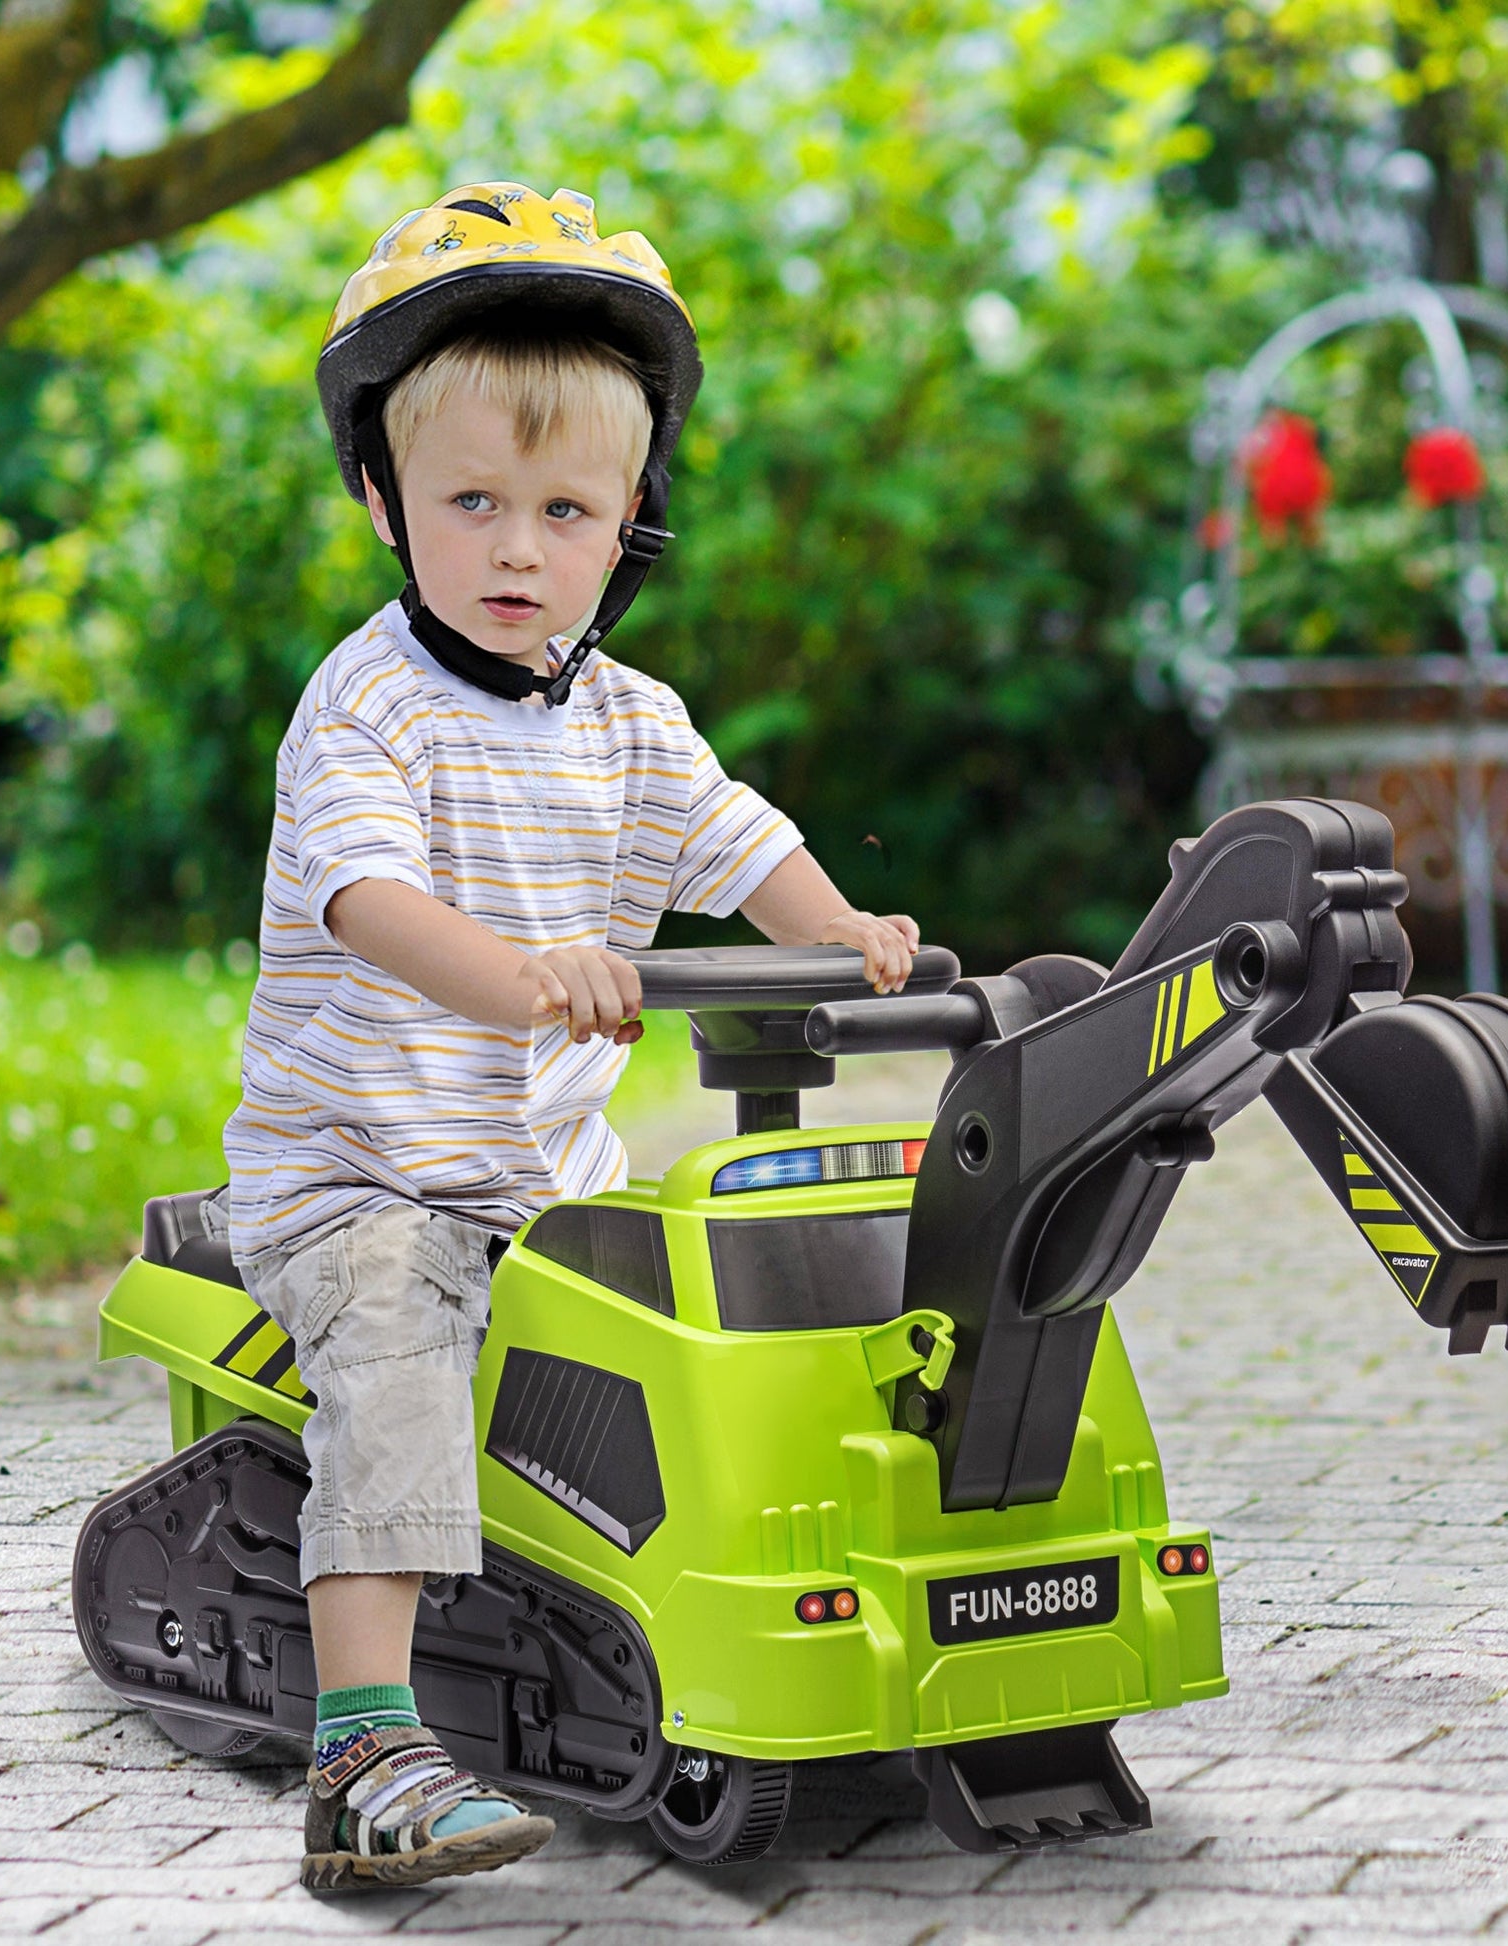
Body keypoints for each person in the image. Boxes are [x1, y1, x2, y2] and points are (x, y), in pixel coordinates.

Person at [216, 183, 920, 1892]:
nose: (517, 549)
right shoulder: (367, 706)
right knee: (392, 1349)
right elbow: (366, 901)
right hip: (360, 1172)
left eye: (564, 510)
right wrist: (520, 969)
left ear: (628, 526)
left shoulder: (629, 719)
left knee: (714, 1280)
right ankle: (366, 1745)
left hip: (544, 1171)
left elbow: (737, 841)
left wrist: (832, 928)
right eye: (471, 503)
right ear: (385, 504)